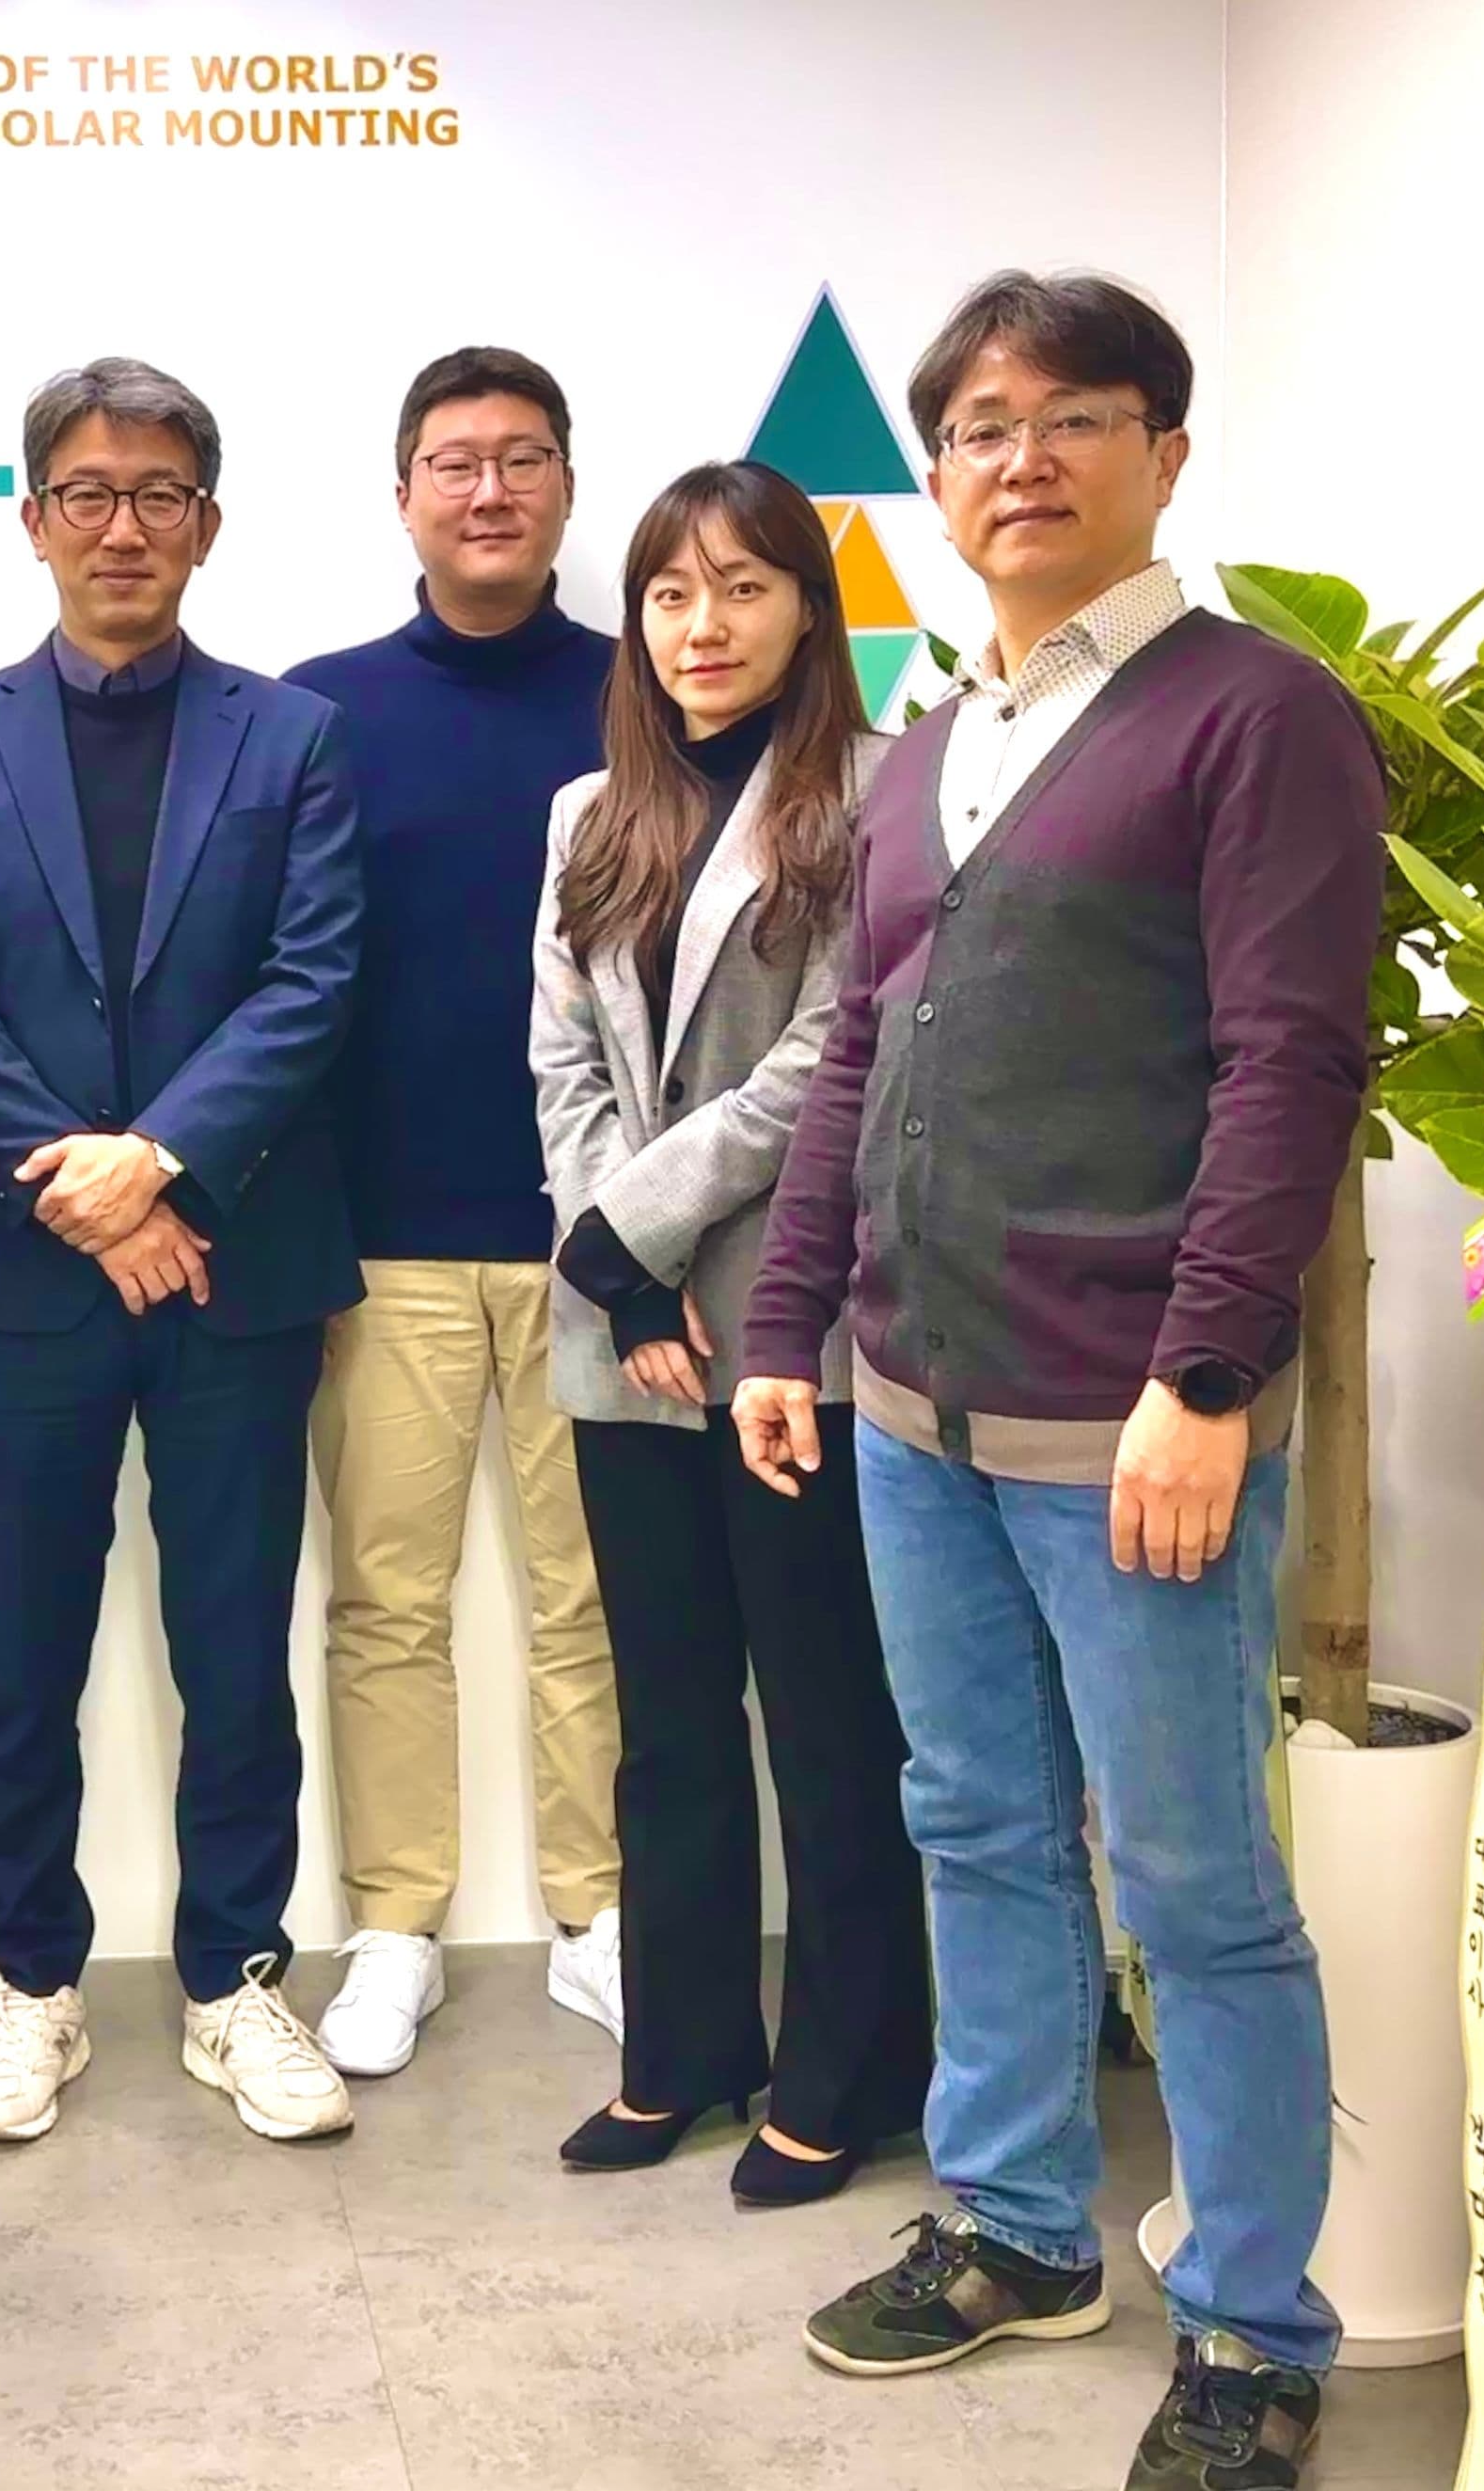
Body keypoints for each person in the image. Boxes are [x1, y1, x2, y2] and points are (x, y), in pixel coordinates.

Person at [734, 273, 1380, 2491]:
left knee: (1194, 1883)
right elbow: (858, 1061)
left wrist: (1211, 1370)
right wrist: (787, 1318)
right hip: (917, 1409)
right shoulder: (932, 740)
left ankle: (1253, 2332)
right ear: (931, 480)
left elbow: (1292, 1066)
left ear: (1165, 457)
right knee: (975, 1829)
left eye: (1076, 419)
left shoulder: (1251, 715)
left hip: (1135, 1426)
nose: (1025, 460)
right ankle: (1019, 2224)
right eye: (982, 428)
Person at [0, 357, 366, 2147]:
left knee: (234, 1649)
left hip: (233, 1268)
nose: (122, 526)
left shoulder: (291, 737)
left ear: (207, 524)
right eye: (86, 493)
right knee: (25, 1651)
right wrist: (73, 1186)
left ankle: (236, 1982)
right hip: (24, 1283)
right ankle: (29, 1981)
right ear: (31, 519)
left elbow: (310, 980)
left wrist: (157, 1165)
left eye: (159, 493)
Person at [529, 460, 931, 2203]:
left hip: (793, 1328)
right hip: (628, 1335)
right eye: (671, 593)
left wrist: (637, 1234)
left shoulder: (876, 794)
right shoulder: (583, 812)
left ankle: (855, 2065)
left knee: (827, 1717)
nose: (703, 625)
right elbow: (557, 1062)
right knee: (669, 1716)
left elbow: (822, 1063)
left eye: (744, 587)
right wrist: (611, 1273)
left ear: (806, 610)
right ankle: (682, 2047)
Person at [283, 347, 624, 2079]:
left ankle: (600, 1914)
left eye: (519, 459)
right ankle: (392, 1925)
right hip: (386, 1241)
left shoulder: (653, 693)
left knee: (592, 1597)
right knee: (382, 1603)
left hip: (603, 1242)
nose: (485, 491)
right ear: (401, 491)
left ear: (566, 483)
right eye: (451, 463)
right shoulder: (314, 709)